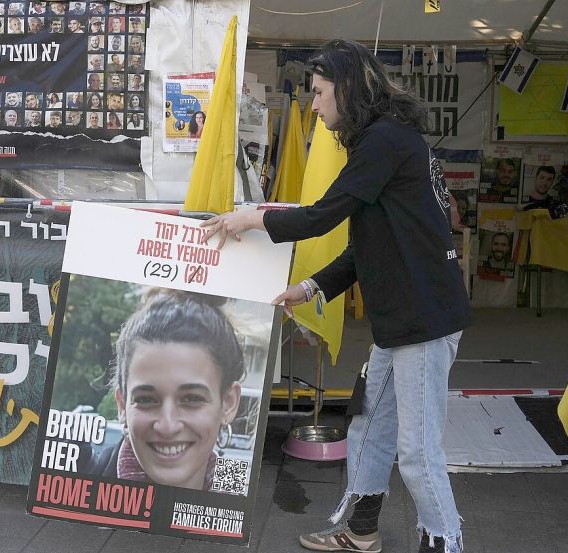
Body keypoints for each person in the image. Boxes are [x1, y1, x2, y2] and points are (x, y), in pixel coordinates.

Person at [200, 40, 469, 553]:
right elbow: (368, 244)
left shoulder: (384, 142)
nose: (316, 105)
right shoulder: (385, 141)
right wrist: (312, 286)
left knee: (417, 453)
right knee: (368, 428)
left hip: (424, 321)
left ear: (348, 89)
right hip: (404, 320)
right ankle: (360, 531)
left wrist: (251, 218)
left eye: (321, 93)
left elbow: (321, 215)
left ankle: (446, 543)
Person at [84, 289, 243, 491]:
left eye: (192, 399)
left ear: (228, 403)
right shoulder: (78, 485)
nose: (167, 427)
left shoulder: (236, 488)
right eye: (146, 400)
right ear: (122, 405)